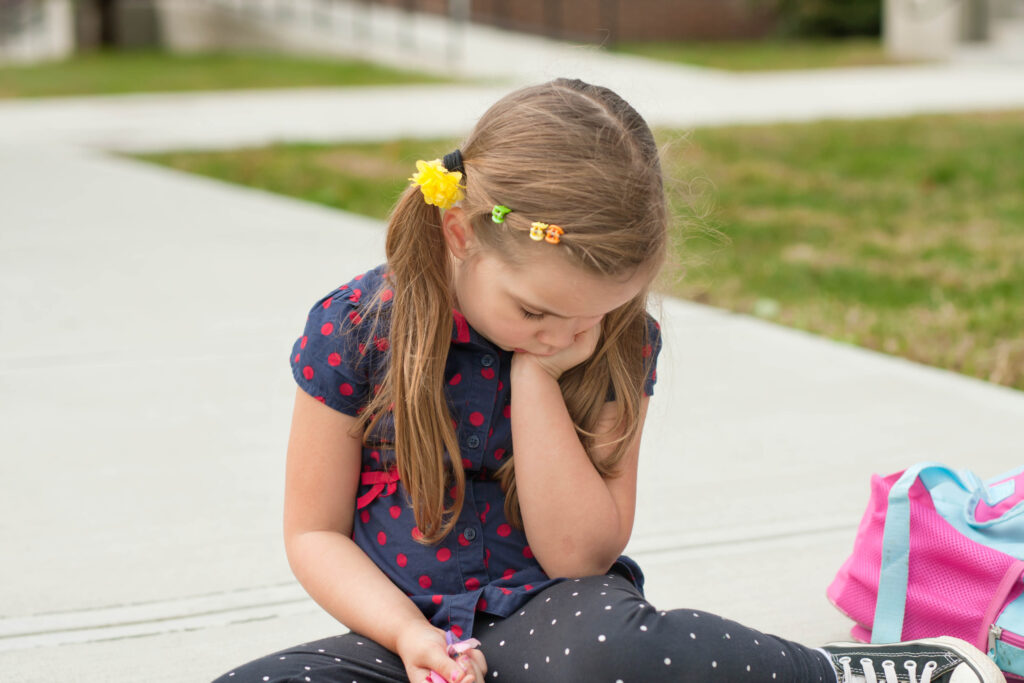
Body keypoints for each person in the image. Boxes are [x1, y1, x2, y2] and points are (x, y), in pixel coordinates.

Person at [213, 79, 1004, 683]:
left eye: (595, 314)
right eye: (536, 310)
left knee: (605, 654)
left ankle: (848, 672)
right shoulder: (357, 327)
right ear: (460, 233)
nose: (566, 333)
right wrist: (409, 636)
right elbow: (313, 532)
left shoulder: (614, 343)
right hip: (400, 636)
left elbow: (579, 554)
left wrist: (537, 376)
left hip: (557, 620)